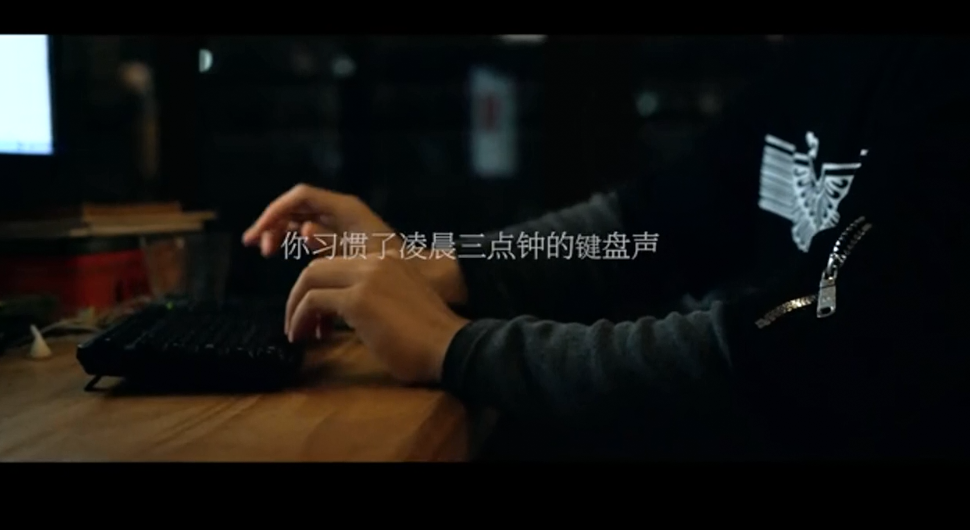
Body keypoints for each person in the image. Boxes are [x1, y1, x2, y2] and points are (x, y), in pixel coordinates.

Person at [242, 36, 966, 460]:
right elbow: (650, 228)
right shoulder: (819, 56)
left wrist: (455, 346)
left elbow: (793, 350)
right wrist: (450, 265)